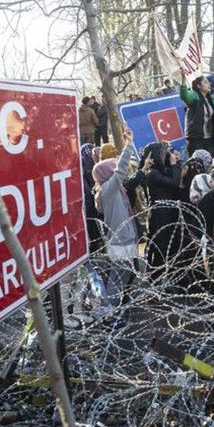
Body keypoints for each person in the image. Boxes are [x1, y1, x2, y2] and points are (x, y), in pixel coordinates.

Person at [92, 127, 137, 306]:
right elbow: (121, 171)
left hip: (124, 237)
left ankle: (114, 307)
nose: (116, 172)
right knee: (117, 280)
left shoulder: (112, 190)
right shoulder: (108, 190)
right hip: (120, 240)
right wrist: (129, 145)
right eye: (112, 170)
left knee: (125, 275)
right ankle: (108, 311)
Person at [143, 142, 182, 272]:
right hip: (160, 217)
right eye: (163, 153)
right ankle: (157, 278)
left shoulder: (161, 170)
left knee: (170, 249)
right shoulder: (153, 173)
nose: (166, 155)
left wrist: (177, 162)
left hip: (167, 214)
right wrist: (175, 165)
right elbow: (175, 183)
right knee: (161, 250)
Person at [179, 74, 214, 156]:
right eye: (205, 82)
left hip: (209, 139)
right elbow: (184, 95)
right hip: (196, 138)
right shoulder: (194, 95)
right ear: (198, 86)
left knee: (209, 163)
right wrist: (183, 79)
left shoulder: (212, 99)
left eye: (209, 83)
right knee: (197, 163)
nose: (209, 85)